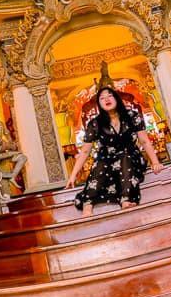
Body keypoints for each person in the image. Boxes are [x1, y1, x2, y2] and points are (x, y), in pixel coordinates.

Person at [67, 87, 164, 216]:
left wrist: (155, 162)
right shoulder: (95, 123)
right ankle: (88, 204)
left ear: (116, 98)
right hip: (106, 161)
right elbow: (85, 152)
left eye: (109, 96)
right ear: (99, 103)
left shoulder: (132, 116)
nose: (106, 99)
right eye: (102, 98)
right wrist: (73, 175)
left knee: (124, 156)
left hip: (131, 158)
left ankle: (126, 199)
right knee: (100, 164)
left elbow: (145, 141)